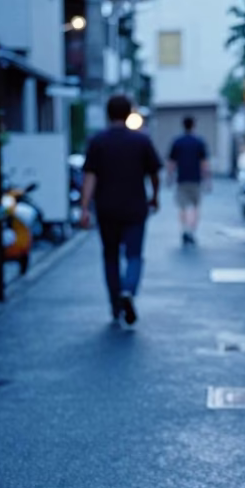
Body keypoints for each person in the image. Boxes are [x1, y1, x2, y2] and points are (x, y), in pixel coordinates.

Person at [80, 95, 162, 325]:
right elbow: (154, 174)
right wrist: (155, 197)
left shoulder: (98, 141)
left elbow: (90, 176)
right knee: (134, 255)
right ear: (129, 114)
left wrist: (85, 207)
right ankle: (128, 290)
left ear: (108, 114)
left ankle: (115, 305)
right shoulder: (141, 141)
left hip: (106, 209)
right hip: (136, 207)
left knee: (110, 256)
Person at [166, 115, 210, 246]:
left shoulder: (177, 142)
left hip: (182, 179)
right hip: (196, 179)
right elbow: (204, 163)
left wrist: (169, 177)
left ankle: (185, 229)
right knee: (195, 207)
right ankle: (191, 231)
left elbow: (171, 162)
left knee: (183, 207)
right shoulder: (199, 142)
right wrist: (207, 179)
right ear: (193, 125)